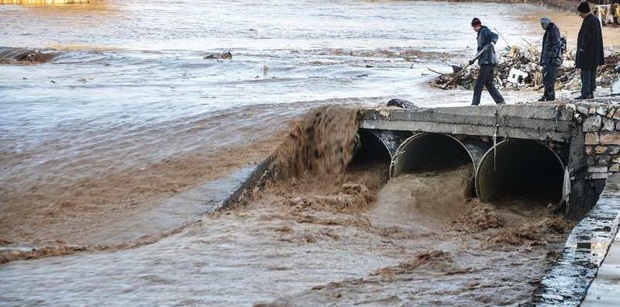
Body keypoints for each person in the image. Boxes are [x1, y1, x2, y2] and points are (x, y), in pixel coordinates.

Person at [469, 18, 505, 106]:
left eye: (474, 27)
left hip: (487, 62)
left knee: (478, 84)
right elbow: (480, 50)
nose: (474, 29)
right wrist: (473, 59)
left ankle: (475, 103)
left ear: (478, 25)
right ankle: (500, 101)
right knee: (488, 83)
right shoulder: (480, 34)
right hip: (488, 61)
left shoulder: (484, 31)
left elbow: (495, 35)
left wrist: (492, 42)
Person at [576, 2, 604, 100]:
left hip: (587, 53)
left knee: (585, 73)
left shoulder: (588, 22)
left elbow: (586, 37)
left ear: (583, 12)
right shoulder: (595, 20)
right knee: (592, 72)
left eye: (579, 12)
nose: (579, 14)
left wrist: (582, 48)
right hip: (595, 53)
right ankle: (591, 92)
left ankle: (585, 93)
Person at [538, 17, 563, 101]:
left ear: (547, 23)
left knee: (550, 79)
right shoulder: (549, 31)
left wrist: (552, 57)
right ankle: (546, 95)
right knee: (546, 78)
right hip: (548, 59)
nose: (542, 26)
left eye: (542, 24)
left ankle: (551, 97)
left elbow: (557, 45)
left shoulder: (553, 31)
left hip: (552, 60)